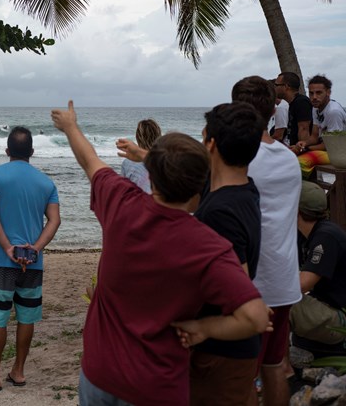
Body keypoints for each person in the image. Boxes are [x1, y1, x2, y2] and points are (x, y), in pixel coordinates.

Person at [52, 100, 271, 406]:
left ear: (151, 178)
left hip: (99, 376)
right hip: (156, 387)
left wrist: (70, 126)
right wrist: (201, 328)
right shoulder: (208, 246)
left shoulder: (120, 202)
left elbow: (90, 160)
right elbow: (255, 318)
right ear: (199, 191)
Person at [0, 126, 60, 393]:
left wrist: (7, 247)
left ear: (7, 150)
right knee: (26, 317)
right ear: (32, 151)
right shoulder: (46, 182)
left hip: (2, 261)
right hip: (32, 262)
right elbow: (54, 220)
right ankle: (18, 371)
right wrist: (36, 248)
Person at [232, 76, 302, 406]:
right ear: (273, 109)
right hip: (284, 280)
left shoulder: (240, 162)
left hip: (250, 283)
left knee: (241, 374)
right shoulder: (289, 159)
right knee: (275, 366)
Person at [189, 102, 264, 406]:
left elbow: (239, 294)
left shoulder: (220, 212)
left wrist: (200, 327)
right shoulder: (245, 189)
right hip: (233, 352)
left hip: (221, 352)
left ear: (211, 144)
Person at [290, 182, 346, 352]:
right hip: (326, 308)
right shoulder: (308, 233)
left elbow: (302, 284)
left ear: (296, 210)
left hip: (339, 319)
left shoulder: (326, 236)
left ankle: (277, 363)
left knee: (280, 302)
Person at [296, 74, 346, 178]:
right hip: (332, 151)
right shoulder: (316, 108)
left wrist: (306, 149)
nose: (314, 97)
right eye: (311, 93)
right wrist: (303, 143)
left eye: (318, 93)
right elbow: (314, 136)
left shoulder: (333, 112)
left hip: (340, 153)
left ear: (328, 92)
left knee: (298, 163)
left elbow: (332, 146)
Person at [120, 118, 161, 193]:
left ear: (137, 137)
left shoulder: (128, 163)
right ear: (158, 136)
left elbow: (123, 192)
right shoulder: (167, 161)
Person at [275, 71, 312, 150]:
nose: (275, 88)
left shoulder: (301, 102)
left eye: (276, 85)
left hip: (298, 150)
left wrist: (300, 149)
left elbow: (304, 129)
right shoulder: (289, 104)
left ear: (286, 86)